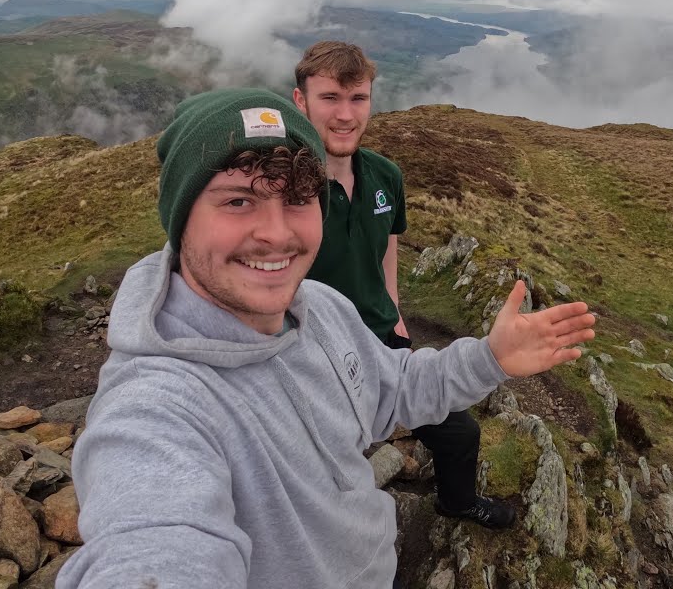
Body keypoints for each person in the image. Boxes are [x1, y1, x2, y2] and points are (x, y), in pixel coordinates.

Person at [57, 87, 595, 588]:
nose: (276, 232)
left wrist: (490, 358)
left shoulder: (324, 309)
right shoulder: (155, 408)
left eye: (296, 198)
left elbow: (395, 391)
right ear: (180, 220)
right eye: (237, 201)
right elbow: (153, 547)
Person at [293, 41, 513, 529]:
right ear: (300, 101)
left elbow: (387, 245)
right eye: (330, 98)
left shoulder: (384, 176)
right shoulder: (285, 190)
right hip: (310, 357)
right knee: (325, 481)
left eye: (359, 98)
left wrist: (395, 315)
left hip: (381, 338)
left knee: (459, 435)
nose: (346, 115)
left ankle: (455, 502)